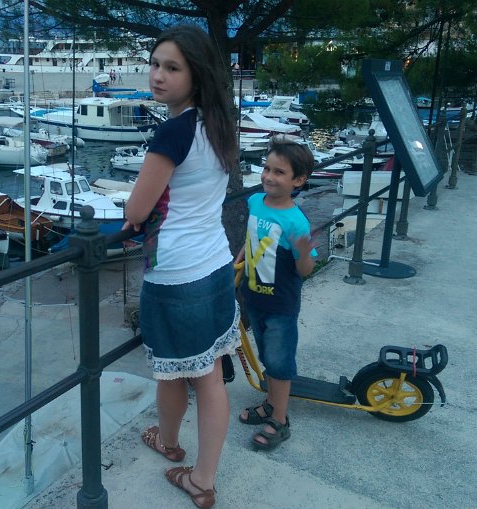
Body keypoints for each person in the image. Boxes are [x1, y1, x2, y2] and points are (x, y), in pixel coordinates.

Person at [125, 24, 240, 509]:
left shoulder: (173, 131)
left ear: (197, 74)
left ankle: (193, 471)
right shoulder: (219, 122)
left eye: (172, 68)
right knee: (204, 374)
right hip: (215, 264)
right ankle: (187, 461)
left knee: (178, 374)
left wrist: (133, 211)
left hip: (175, 274)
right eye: (155, 64)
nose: (158, 76)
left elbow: (136, 210)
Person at [235, 140, 316, 451]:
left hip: (281, 304)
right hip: (255, 297)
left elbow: (304, 269)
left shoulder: (295, 221)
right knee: (268, 357)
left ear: (298, 180)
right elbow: (252, 236)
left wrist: (304, 252)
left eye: (279, 172)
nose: (268, 176)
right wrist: (241, 256)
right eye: (267, 168)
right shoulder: (255, 201)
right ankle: (271, 403)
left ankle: (280, 420)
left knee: (280, 363)